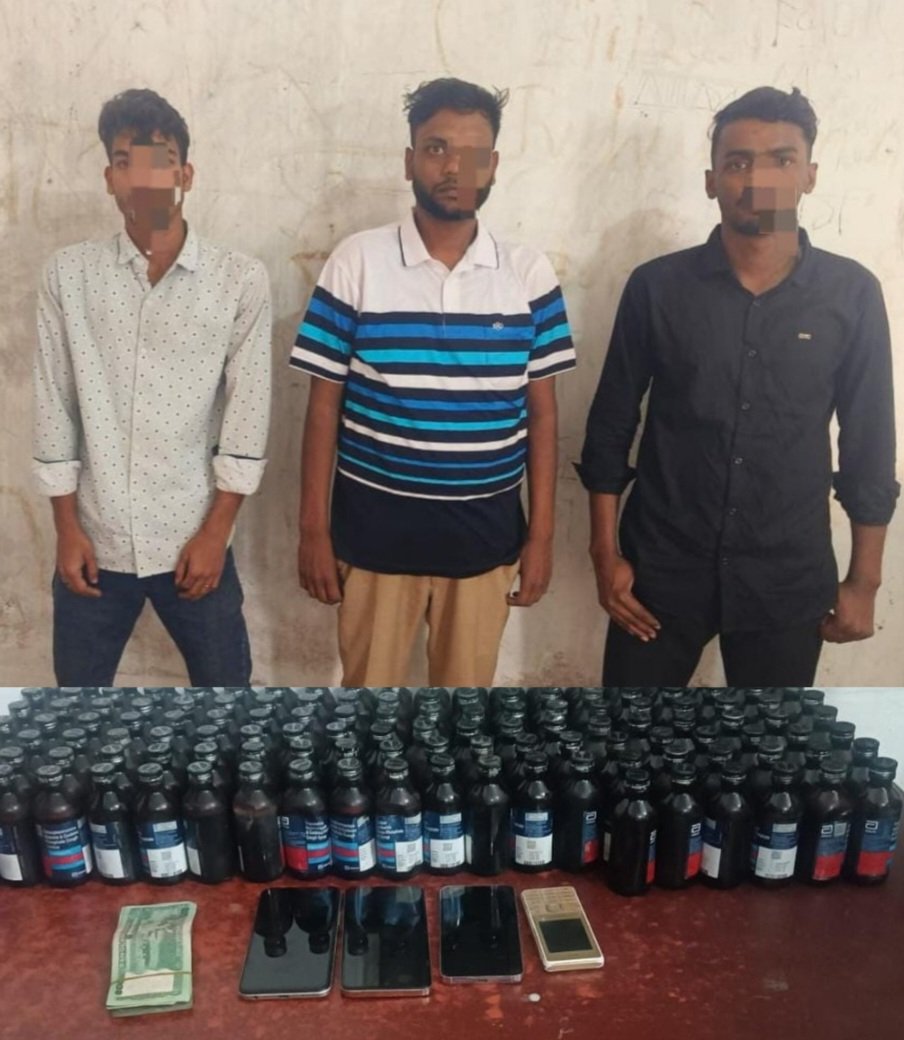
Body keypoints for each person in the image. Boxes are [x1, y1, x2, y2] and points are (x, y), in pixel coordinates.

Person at [578, 86, 898, 686]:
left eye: (782, 159)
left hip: (786, 578)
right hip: (659, 574)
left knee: (769, 744)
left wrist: (864, 581)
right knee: (629, 739)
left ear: (810, 175)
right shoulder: (657, 288)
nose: (759, 179)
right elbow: (610, 426)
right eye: (738, 162)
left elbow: (869, 445)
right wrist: (604, 554)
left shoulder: (851, 294)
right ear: (711, 181)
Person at [292, 77, 575, 686]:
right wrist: (313, 529)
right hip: (372, 543)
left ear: (493, 164)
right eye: (436, 148)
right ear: (409, 160)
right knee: (369, 716)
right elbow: (323, 408)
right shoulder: (357, 261)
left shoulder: (527, 273)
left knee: (463, 720)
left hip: (484, 545)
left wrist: (542, 537)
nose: (453, 167)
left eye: (472, 152)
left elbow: (543, 415)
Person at [33, 88, 272, 685]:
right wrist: (66, 529)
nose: (141, 178)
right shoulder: (69, 275)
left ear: (185, 174)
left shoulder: (238, 280)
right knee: (77, 715)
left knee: (228, 708)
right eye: (124, 162)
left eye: (158, 161)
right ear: (109, 178)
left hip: (194, 538)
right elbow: (55, 405)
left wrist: (217, 532)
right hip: (95, 539)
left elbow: (246, 416)